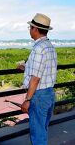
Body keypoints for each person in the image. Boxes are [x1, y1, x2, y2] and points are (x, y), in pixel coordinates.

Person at [19, 13, 57, 144]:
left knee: (38, 134)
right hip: (49, 94)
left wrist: (27, 100)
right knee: (42, 130)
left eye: (30, 27)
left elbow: (35, 78)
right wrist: (26, 67)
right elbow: (43, 69)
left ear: (35, 29)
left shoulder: (38, 49)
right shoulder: (50, 47)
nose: (29, 30)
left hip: (38, 96)